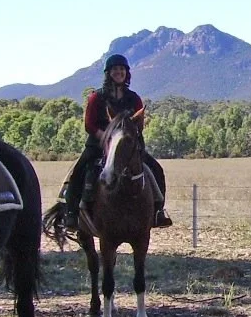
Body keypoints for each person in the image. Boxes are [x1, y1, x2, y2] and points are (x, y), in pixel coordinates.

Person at [63, 53, 172, 230]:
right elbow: (89, 125)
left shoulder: (134, 98)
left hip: (127, 146)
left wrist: (127, 138)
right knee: (79, 171)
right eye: (115, 69)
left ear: (126, 73)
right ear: (109, 73)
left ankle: (158, 211)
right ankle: (71, 213)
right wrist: (107, 139)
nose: (119, 72)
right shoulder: (96, 98)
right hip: (99, 144)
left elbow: (139, 123)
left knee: (156, 169)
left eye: (122, 69)